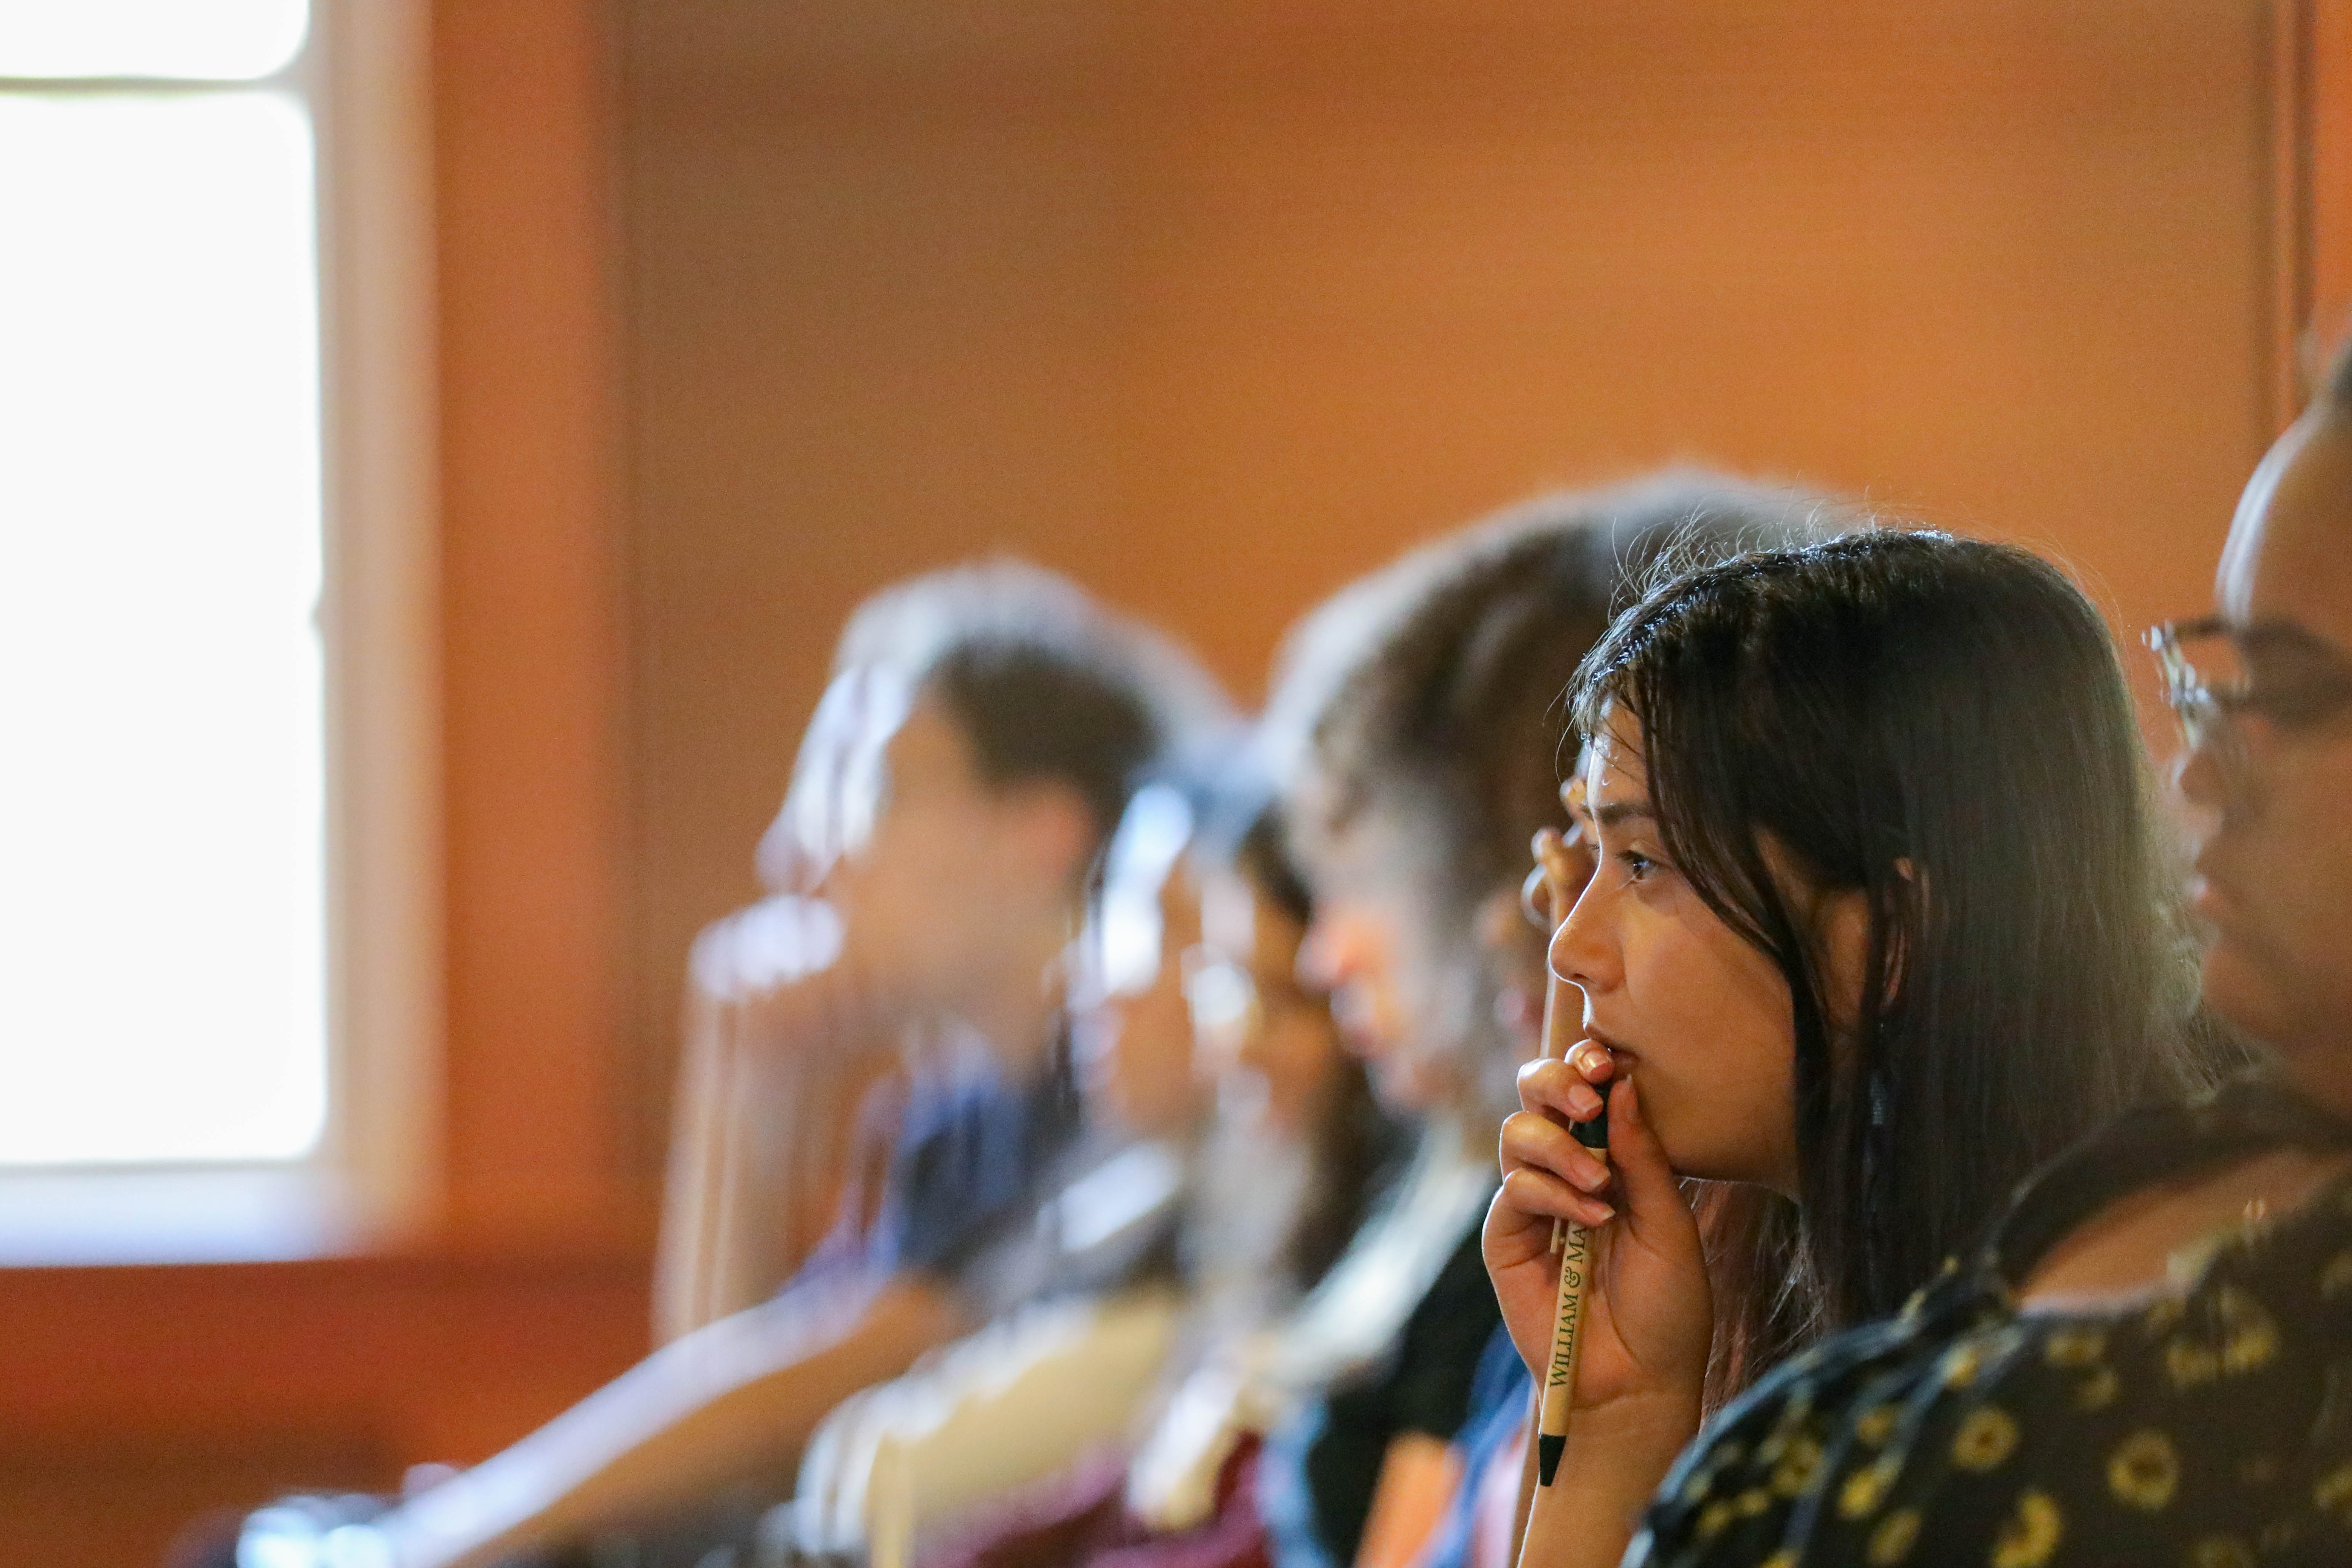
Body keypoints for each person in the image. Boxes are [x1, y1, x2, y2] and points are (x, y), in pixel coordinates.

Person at [226, 561, 1225, 1568]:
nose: (798, 850)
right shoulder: (953, 1118)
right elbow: (717, 1411)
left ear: (1037, 832)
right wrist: (744, 1086)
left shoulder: (1128, 1107)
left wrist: (432, 1543)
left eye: (869, 788)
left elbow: (777, 1403)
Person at [1484, 528, 2230, 1568]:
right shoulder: (1823, 1315)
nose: (1567, 944)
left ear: (1889, 935)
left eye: (1642, 860)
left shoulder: (2044, 1408)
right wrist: (1617, 1410)